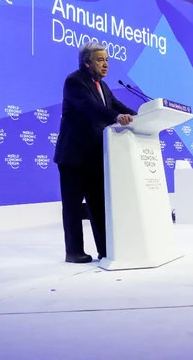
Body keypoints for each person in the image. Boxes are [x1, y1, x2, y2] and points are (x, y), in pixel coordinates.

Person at [53, 42, 137, 263]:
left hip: (94, 156)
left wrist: (142, 116)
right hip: (73, 156)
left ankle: (105, 249)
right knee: (72, 206)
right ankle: (73, 251)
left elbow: (117, 106)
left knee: (99, 205)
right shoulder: (74, 81)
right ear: (87, 62)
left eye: (107, 60)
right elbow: (90, 108)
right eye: (100, 60)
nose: (106, 64)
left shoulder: (103, 86)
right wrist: (115, 118)